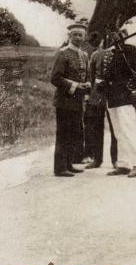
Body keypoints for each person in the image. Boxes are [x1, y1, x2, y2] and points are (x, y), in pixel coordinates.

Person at [100, 28, 136, 178]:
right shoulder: (111, 53)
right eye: (112, 34)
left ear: (124, 36)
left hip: (126, 96)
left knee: (128, 130)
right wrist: (103, 84)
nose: (114, 36)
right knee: (118, 132)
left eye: (119, 34)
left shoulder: (130, 50)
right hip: (112, 97)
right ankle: (124, 164)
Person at [50, 19, 90, 177]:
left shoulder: (84, 55)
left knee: (74, 133)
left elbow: (86, 76)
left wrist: (87, 84)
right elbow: (55, 78)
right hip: (64, 101)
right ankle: (60, 168)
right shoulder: (63, 53)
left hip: (77, 101)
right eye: (75, 35)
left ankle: (68, 164)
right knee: (63, 134)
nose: (78, 38)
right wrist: (75, 85)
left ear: (84, 37)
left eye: (81, 35)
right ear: (70, 36)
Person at [83, 37, 118, 169]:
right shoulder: (95, 55)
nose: (109, 40)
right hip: (97, 94)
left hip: (113, 93)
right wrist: (90, 93)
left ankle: (115, 159)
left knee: (115, 127)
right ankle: (97, 159)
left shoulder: (118, 54)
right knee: (96, 127)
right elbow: (91, 76)